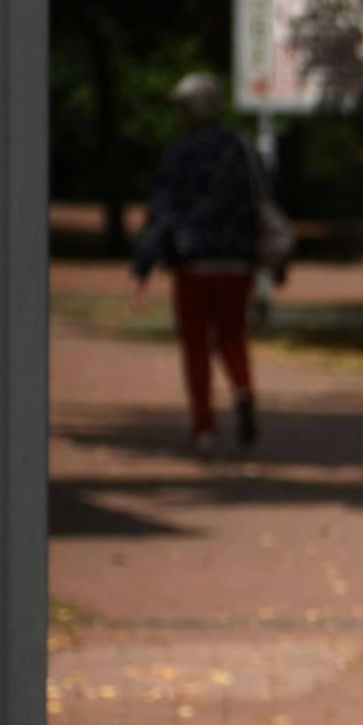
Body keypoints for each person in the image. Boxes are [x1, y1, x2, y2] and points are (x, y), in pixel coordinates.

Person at [132, 72, 261, 456]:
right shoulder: (240, 148)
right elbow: (260, 202)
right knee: (232, 335)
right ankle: (242, 389)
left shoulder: (179, 153)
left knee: (195, 344)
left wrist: (143, 265)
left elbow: (163, 211)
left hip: (193, 261)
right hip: (238, 262)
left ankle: (204, 427)